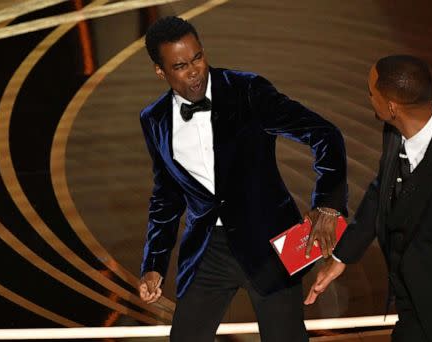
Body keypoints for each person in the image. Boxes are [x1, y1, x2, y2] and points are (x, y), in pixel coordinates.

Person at [137, 16, 347, 342]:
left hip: (270, 246)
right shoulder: (154, 119)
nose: (194, 70)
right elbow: (166, 196)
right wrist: (154, 263)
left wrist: (328, 205)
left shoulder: (247, 90)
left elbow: (324, 134)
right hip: (207, 251)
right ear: (160, 71)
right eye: (180, 65)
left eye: (198, 57)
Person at [305, 55, 432, 342]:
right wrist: (342, 256)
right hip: (413, 312)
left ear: (392, 107)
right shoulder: (395, 131)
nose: (368, 97)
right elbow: (382, 189)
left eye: (371, 93)